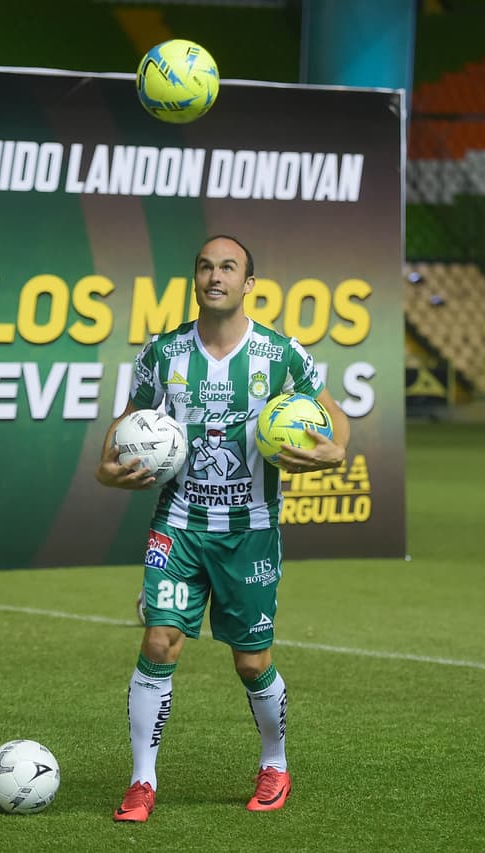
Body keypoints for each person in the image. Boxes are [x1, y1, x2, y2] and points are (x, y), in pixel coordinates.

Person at [95, 235, 350, 822]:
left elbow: (333, 415)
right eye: (206, 267)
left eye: (228, 267)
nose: (216, 276)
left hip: (250, 530)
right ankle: (141, 781)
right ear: (195, 279)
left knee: (251, 662)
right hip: (179, 525)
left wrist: (335, 450)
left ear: (248, 283)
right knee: (159, 641)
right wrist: (107, 466)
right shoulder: (163, 353)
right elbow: (128, 419)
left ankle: (275, 763)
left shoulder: (280, 354)